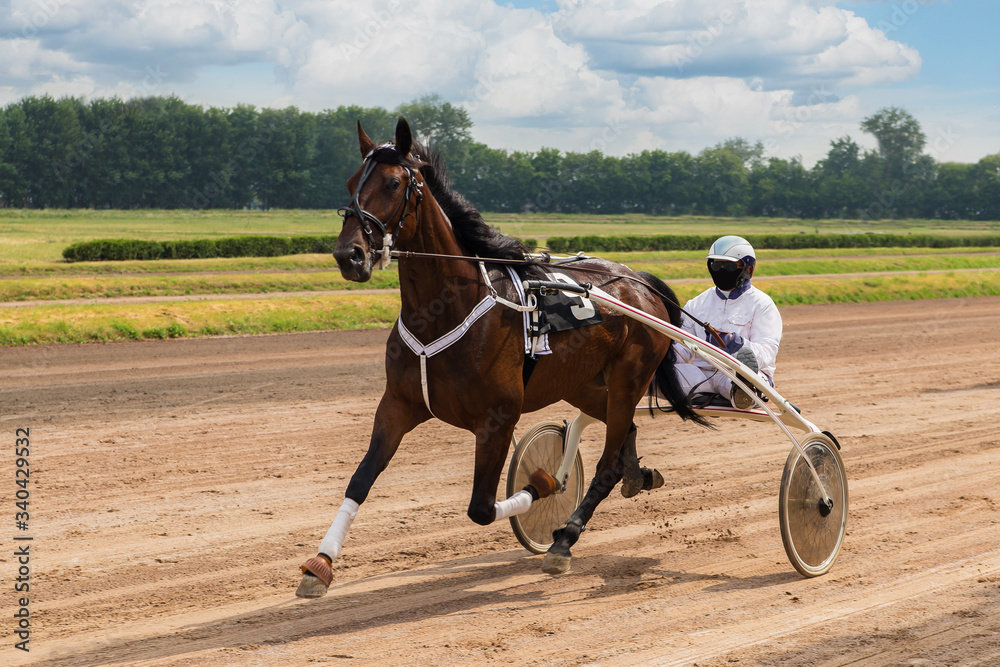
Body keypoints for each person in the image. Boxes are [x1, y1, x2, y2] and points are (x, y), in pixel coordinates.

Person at [672, 235, 782, 409]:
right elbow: (681, 349)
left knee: (745, 380)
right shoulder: (696, 304)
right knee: (648, 375)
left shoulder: (762, 304)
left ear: (748, 270)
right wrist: (657, 355)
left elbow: (767, 353)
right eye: (716, 265)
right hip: (702, 374)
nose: (721, 270)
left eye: (730, 266)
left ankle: (744, 393)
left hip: (737, 373)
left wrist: (736, 345)